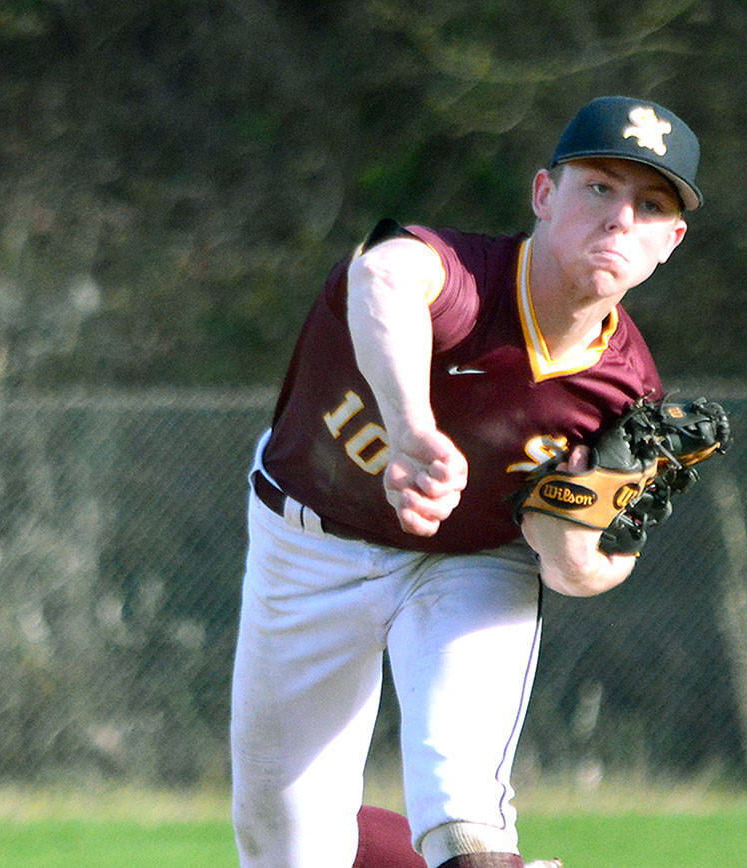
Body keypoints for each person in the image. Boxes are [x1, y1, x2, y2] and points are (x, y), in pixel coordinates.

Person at [230, 95, 703, 868]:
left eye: (650, 205)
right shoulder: (463, 276)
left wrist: (571, 533)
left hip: (474, 565)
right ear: (544, 196)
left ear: (670, 242)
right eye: (599, 187)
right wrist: (413, 427)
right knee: (285, 842)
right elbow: (380, 278)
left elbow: (593, 571)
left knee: (462, 815)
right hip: (310, 543)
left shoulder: (629, 397)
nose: (621, 218)